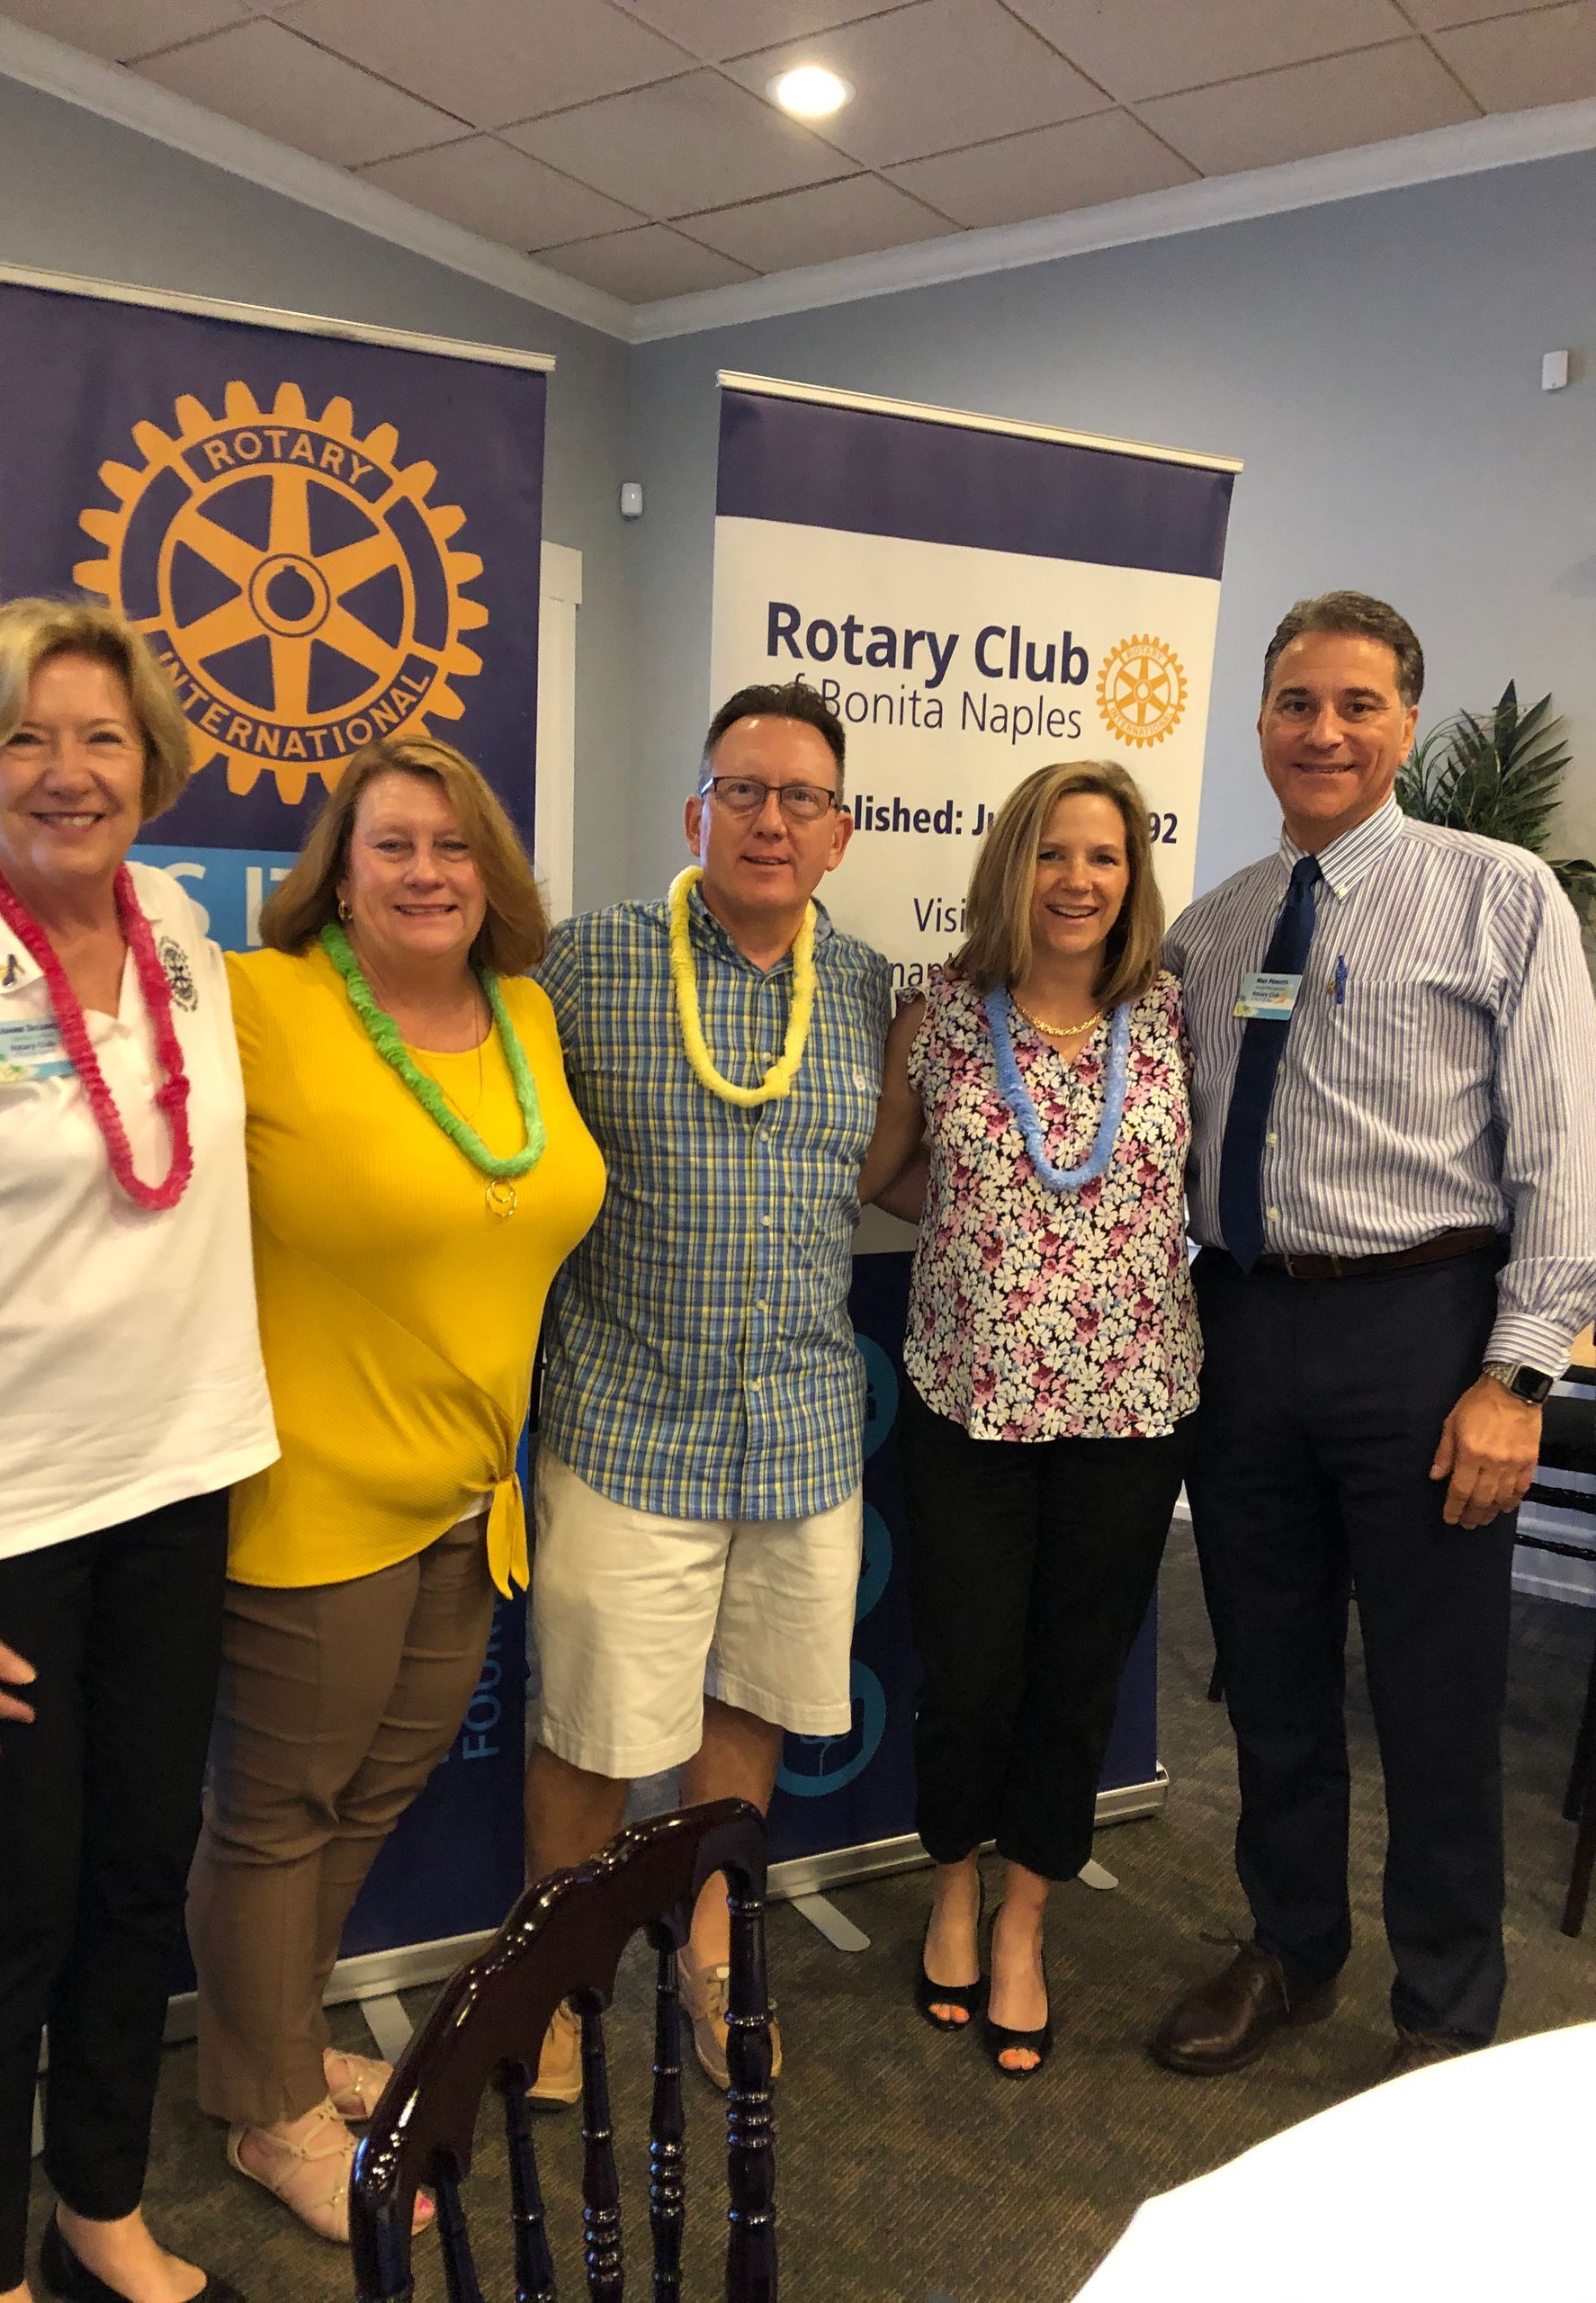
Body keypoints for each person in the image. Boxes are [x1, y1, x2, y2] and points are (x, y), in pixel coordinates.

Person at [0, 599, 276, 2303]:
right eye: (26, 736)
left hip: (176, 1488)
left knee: (130, 1881)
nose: (66, 770)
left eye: (102, 737)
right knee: (3, 1918)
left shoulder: (177, 927)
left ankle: (99, 2206)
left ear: (153, 764)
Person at [1150, 592, 1596, 2083]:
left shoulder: (1501, 893)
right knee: (1270, 1679)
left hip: (1427, 1329)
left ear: (1407, 718)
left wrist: (1517, 1373)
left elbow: (1561, 1151)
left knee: (1436, 1693)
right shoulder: (1212, 929)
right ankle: (1291, 1948)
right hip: (1247, 1329)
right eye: (1294, 702)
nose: (1322, 730)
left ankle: (1446, 2012)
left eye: (1355, 702)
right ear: (1261, 722)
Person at [185, 734, 605, 2240]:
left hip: (464, 1495)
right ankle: (266, 2114)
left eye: (455, 846)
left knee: (372, 1788)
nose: (429, 872)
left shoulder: (526, 1016)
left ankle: (277, 2051)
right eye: (393, 848)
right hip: (310, 1492)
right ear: (339, 880)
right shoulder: (261, 1003)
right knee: (279, 1810)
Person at [523, 678, 890, 2099]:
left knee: (745, 1716)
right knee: (590, 1735)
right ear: (696, 811)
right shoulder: (589, 962)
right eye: (744, 790)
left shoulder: (861, 989)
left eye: (802, 798)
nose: (771, 820)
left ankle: (713, 1955)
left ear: (842, 834)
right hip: (627, 1423)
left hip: (799, 1435)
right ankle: (555, 1984)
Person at [860, 760, 1199, 2075]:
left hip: (1131, 1411)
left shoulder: (1169, 1019)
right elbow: (891, 1173)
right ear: (1013, 866)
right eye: (1053, 853)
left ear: (1132, 877)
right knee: (973, 1671)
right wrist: (982, 1240)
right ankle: (953, 1890)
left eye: (1103, 857)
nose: (1077, 880)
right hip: (971, 1404)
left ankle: (1025, 1924)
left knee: (1073, 1683)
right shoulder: (941, 1017)